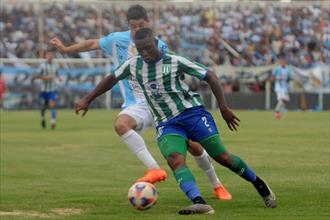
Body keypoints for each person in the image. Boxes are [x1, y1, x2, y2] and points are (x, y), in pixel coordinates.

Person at [75, 28, 277, 214]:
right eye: (140, 49)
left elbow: (211, 76)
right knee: (175, 159)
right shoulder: (133, 64)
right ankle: (199, 201)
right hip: (167, 122)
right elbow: (111, 78)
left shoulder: (175, 61)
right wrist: (87, 99)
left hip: (193, 114)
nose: (144, 52)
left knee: (223, 157)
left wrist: (223, 107)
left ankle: (260, 184)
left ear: (155, 43)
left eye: (148, 48)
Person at [50, 5, 231, 200]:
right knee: (121, 124)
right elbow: (90, 44)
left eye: (141, 25)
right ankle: (154, 169)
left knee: (194, 146)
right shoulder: (116, 40)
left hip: (163, 104)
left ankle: (217, 185)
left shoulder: (158, 45)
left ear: (148, 24)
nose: (136, 29)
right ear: (128, 26)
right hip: (137, 104)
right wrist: (65, 49)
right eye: (133, 26)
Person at [34, 51, 61, 129]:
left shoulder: (56, 65)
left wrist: (59, 78)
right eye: (48, 55)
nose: (50, 56)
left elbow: (57, 74)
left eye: (51, 54)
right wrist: (45, 78)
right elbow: (36, 76)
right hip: (44, 89)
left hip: (53, 88)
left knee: (52, 104)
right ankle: (42, 118)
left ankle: (53, 121)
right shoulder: (42, 66)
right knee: (44, 106)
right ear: (46, 56)